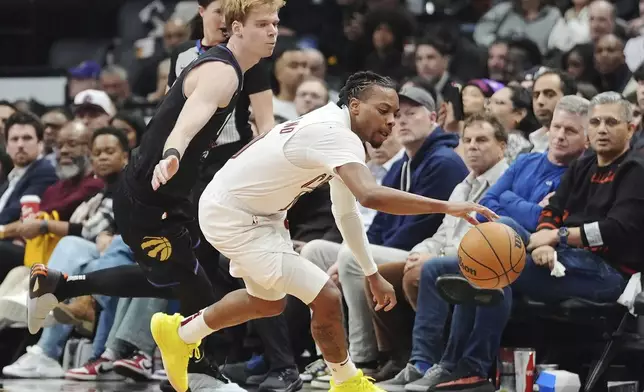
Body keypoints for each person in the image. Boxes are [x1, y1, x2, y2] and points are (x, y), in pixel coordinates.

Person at [149, 71, 498, 392]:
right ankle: (346, 381)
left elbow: (346, 212)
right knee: (326, 295)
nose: (391, 120)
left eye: (396, 113)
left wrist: (371, 272)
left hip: (254, 212)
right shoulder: (335, 134)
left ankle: (181, 334)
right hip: (233, 214)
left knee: (266, 302)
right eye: (384, 110)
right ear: (355, 105)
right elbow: (371, 195)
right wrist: (448, 206)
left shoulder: (335, 130)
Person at [26, 0, 283, 390]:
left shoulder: (232, 66)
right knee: (194, 287)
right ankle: (196, 370)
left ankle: (61, 285)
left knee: (175, 280)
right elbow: (187, 119)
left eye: (276, 22)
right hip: (152, 196)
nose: (274, 30)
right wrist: (174, 153)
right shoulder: (221, 73)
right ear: (236, 29)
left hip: (168, 195)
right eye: (263, 23)